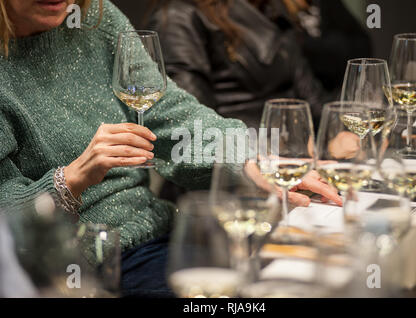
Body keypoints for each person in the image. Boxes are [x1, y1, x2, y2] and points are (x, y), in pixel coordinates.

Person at [0, 0, 341, 297]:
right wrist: (71, 179)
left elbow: (170, 114)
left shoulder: (94, 18)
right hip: (83, 265)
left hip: (161, 235)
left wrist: (250, 161)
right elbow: (7, 220)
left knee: (316, 268)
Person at [145, 0, 371, 128]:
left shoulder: (273, 9)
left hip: (292, 160)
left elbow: (312, 99)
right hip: (232, 178)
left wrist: (343, 130)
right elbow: (192, 123)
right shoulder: (180, 15)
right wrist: (274, 150)